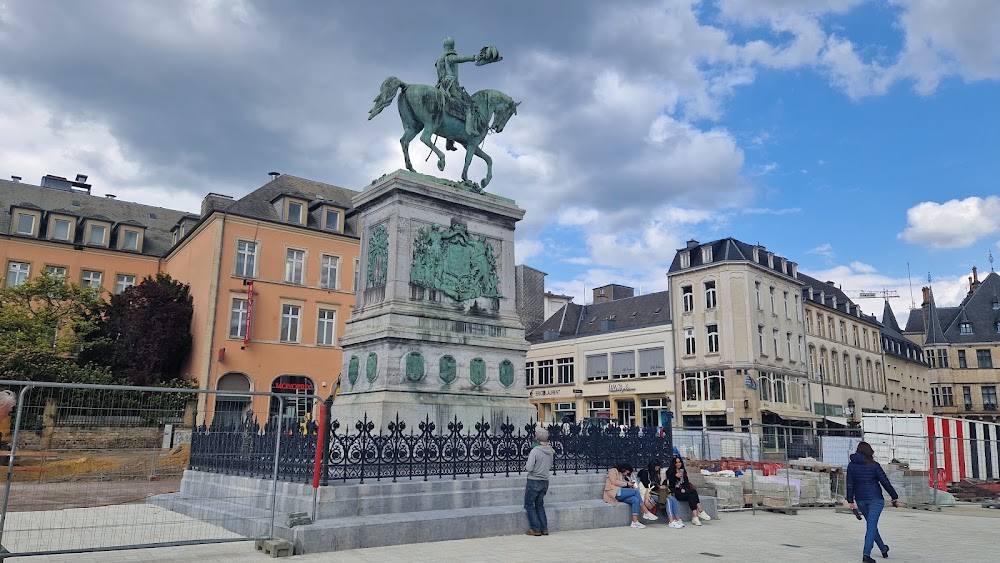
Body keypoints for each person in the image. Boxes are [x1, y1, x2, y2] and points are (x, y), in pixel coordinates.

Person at [846, 441, 900, 562]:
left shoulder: (851, 466)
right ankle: (866, 554)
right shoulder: (874, 465)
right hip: (876, 499)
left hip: (860, 499)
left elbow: (850, 484)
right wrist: (894, 497)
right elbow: (885, 482)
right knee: (871, 525)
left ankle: (883, 549)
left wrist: (850, 500)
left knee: (872, 525)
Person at [603, 463, 657, 528]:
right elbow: (614, 482)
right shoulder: (613, 471)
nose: (626, 474)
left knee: (635, 500)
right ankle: (646, 512)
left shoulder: (624, 476)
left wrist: (629, 482)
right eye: (626, 472)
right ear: (623, 469)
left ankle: (635, 522)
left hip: (622, 494)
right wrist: (627, 484)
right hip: (615, 493)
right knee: (636, 492)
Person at [524, 428, 555, 537]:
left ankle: (535, 529)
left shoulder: (535, 451)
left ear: (537, 438)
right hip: (545, 481)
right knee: (539, 504)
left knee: (529, 504)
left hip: (534, 480)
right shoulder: (550, 451)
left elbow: (529, 467)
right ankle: (544, 528)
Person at [666, 455, 712, 525]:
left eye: (679, 462)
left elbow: (686, 483)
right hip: (676, 492)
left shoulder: (683, 471)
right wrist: (675, 476)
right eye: (676, 463)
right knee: (692, 493)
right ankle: (700, 511)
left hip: (684, 490)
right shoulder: (670, 471)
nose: (678, 464)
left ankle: (695, 516)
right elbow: (671, 484)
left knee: (692, 494)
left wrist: (683, 488)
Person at [638, 459, 683, 529]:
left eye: (658, 467)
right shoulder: (646, 473)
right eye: (656, 467)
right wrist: (659, 487)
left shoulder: (656, 474)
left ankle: (677, 519)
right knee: (667, 500)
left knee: (673, 499)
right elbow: (648, 486)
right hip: (649, 495)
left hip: (656, 493)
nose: (657, 469)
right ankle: (671, 521)